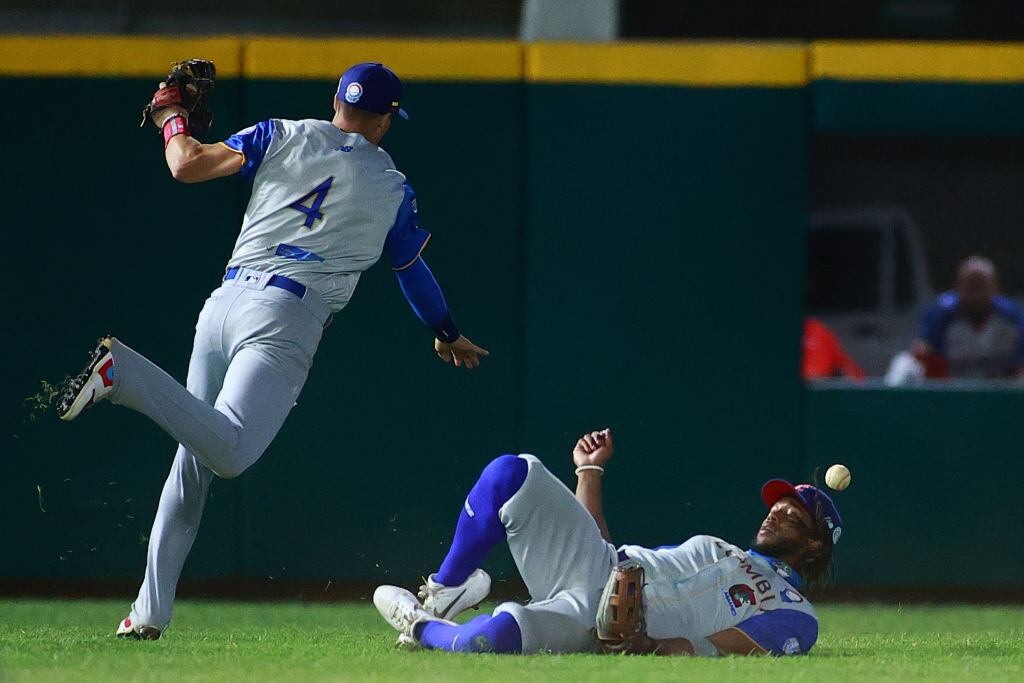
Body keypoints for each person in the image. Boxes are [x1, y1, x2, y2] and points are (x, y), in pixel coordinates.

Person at [54, 62, 488, 639]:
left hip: (225, 301)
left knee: (193, 461)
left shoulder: (281, 132)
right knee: (229, 453)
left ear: (336, 100)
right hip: (286, 316)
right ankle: (122, 374)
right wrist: (446, 329)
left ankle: (148, 613)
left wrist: (171, 117)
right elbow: (411, 270)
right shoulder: (391, 186)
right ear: (385, 121)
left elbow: (185, 164)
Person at [374, 428, 843, 656]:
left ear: (815, 547)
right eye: (776, 506)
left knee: (491, 638)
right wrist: (590, 471)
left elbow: (723, 648)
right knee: (511, 472)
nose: (775, 513)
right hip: (596, 568)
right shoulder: (722, 547)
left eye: (792, 516)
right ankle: (444, 592)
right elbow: (603, 548)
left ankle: (420, 628)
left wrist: (649, 645)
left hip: (605, 628)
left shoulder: (795, 612)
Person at [887, 255, 1024, 383]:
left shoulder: (1011, 317)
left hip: (1000, 392)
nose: (975, 294)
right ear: (958, 287)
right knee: (904, 363)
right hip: (951, 392)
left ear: (995, 287)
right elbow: (922, 352)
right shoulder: (941, 314)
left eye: (980, 286)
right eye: (970, 286)